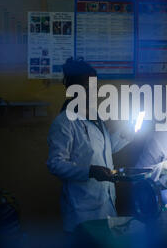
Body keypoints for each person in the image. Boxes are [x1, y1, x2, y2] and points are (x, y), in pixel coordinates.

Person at [47, 57, 133, 232]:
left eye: (95, 87)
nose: (93, 92)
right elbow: (55, 164)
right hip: (82, 207)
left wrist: (124, 135)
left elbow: (104, 150)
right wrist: (90, 171)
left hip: (106, 201)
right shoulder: (64, 122)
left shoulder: (94, 116)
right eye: (87, 88)